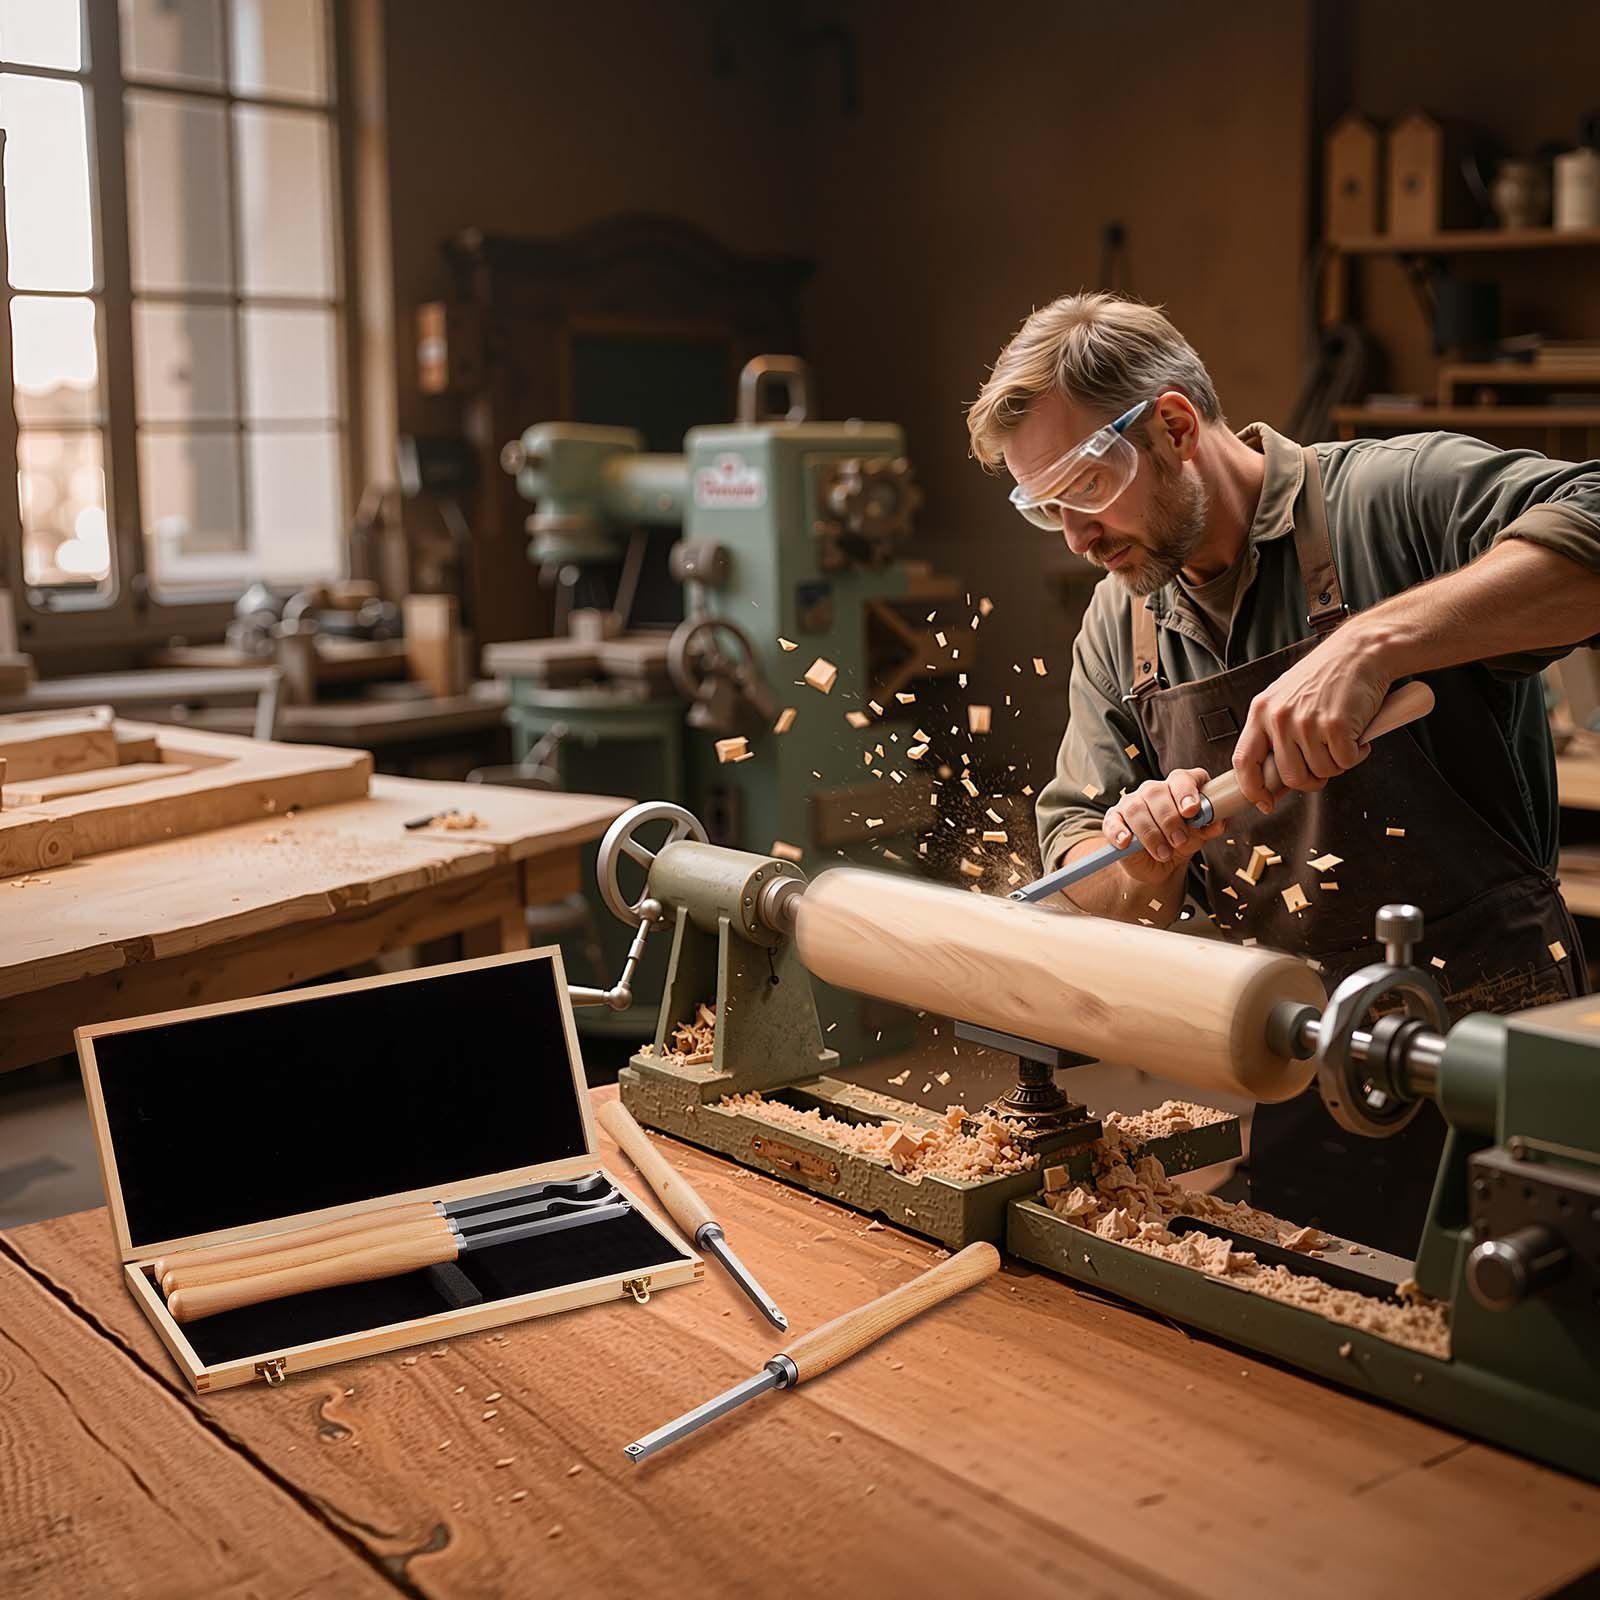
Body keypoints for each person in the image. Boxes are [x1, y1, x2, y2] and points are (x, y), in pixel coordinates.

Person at [965, 292, 1600, 1253]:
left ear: (1174, 425)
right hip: (1301, 1052)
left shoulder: (1391, 499)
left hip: (1498, 1040)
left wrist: (1378, 643)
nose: (1075, 538)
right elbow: (1091, 882)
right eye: (1044, 507)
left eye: (1085, 487)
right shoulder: (1121, 624)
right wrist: (1143, 858)